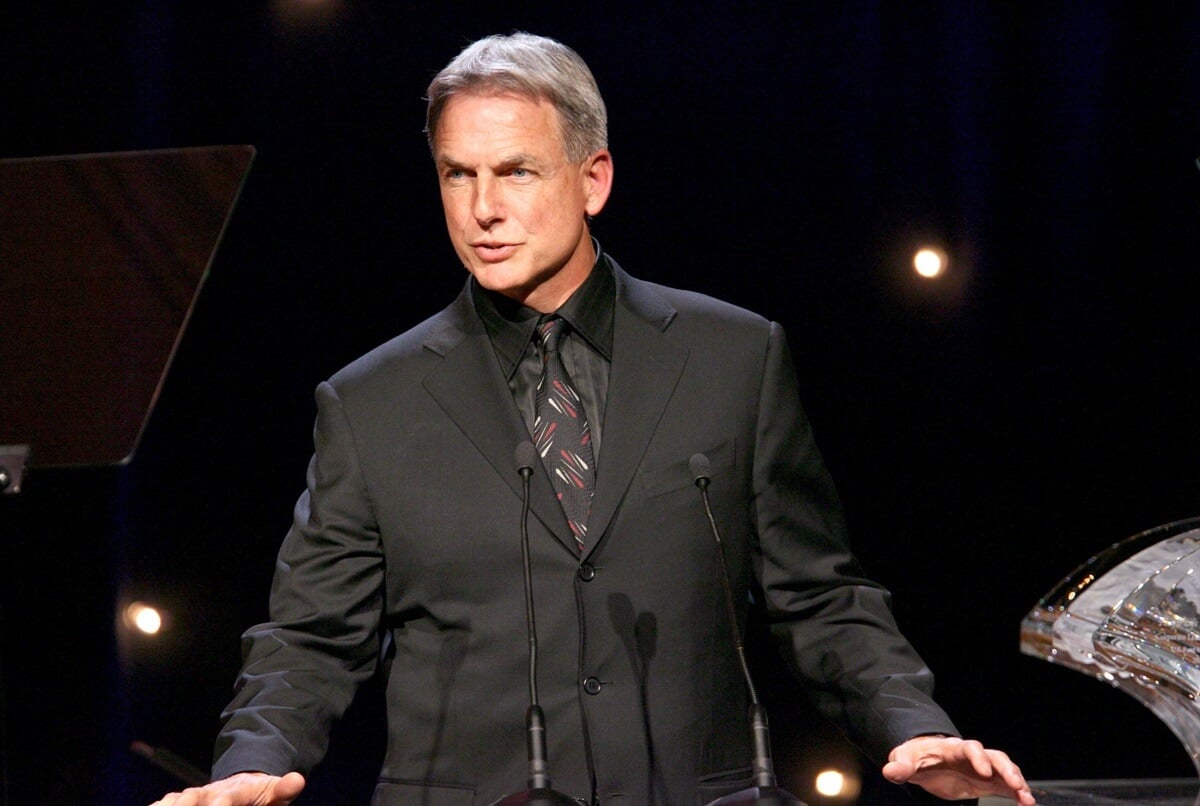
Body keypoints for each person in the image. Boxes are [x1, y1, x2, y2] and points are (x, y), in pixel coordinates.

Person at [152, 32, 1034, 806]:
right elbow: (308, 638)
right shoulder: (369, 402)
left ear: (593, 178)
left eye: (516, 172)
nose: (482, 208)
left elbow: (820, 596)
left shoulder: (735, 357)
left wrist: (909, 725)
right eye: (458, 174)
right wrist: (252, 762)